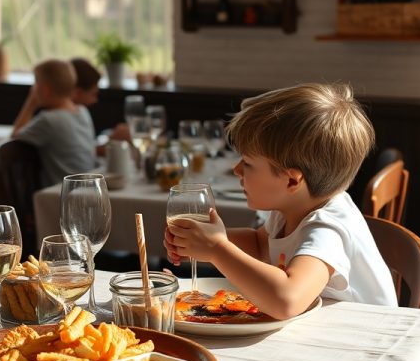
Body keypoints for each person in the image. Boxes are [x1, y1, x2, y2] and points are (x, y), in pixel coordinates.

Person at [164, 83, 397, 318]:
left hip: (371, 343)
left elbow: (286, 301)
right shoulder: (291, 209)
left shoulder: (327, 229)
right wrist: (201, 244)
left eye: (247, 163)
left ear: (292, 181)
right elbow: (260, 245)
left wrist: (217, 249)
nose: (236, 170)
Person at [12, 59, 97, 187]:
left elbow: (15, 136)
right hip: (88, 187)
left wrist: (31, 103)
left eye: (35, 83)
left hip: (60, 194)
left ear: (45, 89)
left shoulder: (49, 120)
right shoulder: (83, 111)